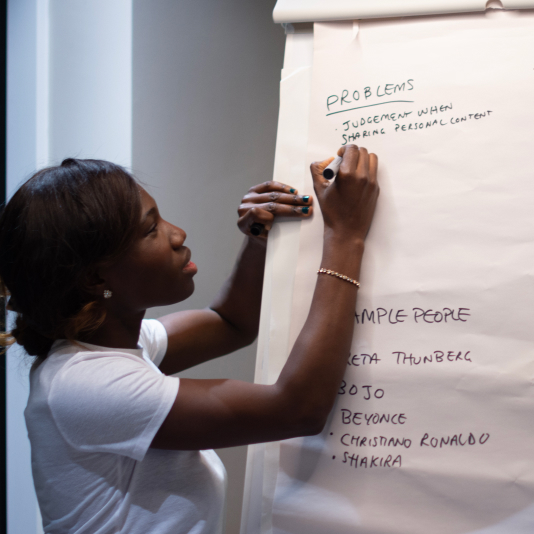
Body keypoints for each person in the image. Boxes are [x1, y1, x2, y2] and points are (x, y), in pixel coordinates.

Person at [0, 144, 378, 533]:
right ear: (96, 279)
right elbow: (297, 408)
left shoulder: (112, 349)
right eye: (151, 229)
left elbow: (230, 323)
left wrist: (258, 240)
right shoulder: (86, 383)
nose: (177, 234)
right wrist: (345, 235)